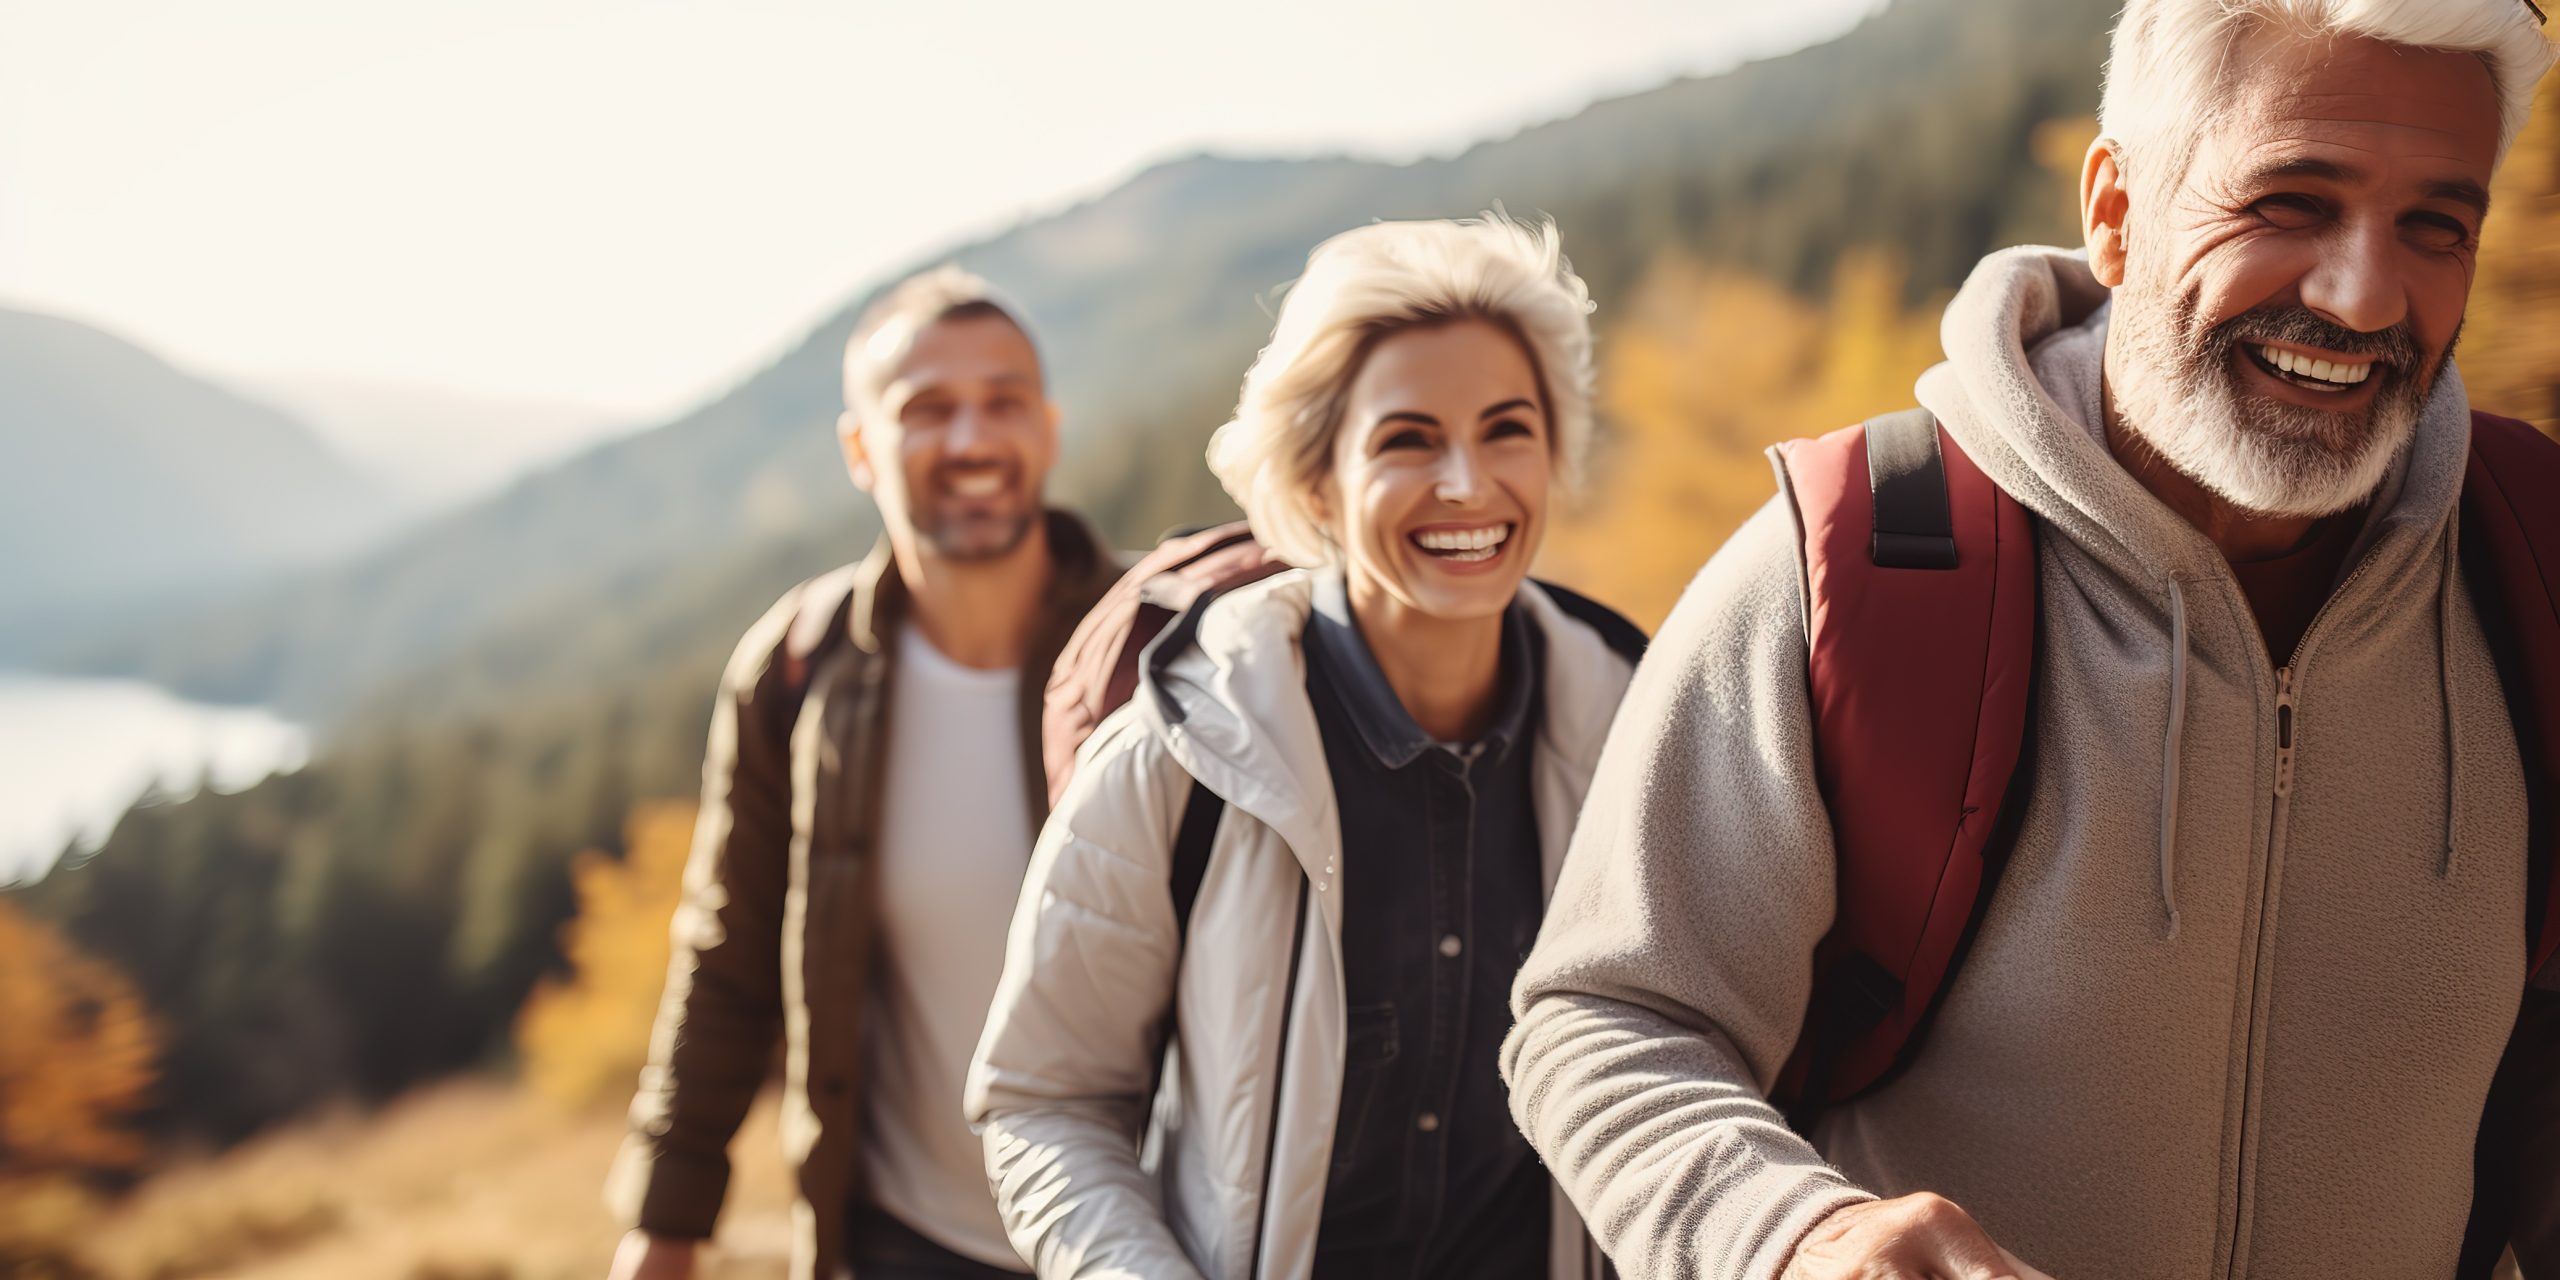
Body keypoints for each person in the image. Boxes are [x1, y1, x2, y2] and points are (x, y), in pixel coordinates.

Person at [1502, 2, 2560, 1277]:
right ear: (2113, 210)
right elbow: (1605, 1017)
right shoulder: (1853, 564)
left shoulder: (2537, 563)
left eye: (2435, 224)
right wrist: (1793, 1232)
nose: (2364, 290)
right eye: (2289, 200)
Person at [964, 216, 1643, 1279]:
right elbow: (1046, 1102)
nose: (1467, 482)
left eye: (1507, 428)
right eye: (1407, 438)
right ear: (1317, 478)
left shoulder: (1645, 748)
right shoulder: (1175, 757)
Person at [603, 267, 1122, 1280]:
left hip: (1145, 1237)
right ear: (858, 448)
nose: (971, 439)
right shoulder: (796, 670)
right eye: (926, 408)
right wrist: (665, 1226)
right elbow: (727, 950)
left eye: (1003, 402)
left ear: (1047, 429)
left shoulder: (1164, 647)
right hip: (900, 1242)